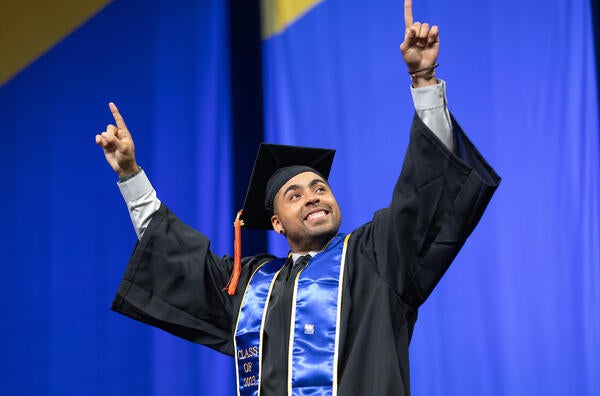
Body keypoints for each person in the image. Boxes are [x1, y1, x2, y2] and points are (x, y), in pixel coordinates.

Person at [95, 2, 500, 395]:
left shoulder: (377, 257)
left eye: (320, 188)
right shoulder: (254, 286)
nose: (312, 197)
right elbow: (175, 258)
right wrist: (131, 175)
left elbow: (424, 192)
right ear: (276, 223)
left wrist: (424, 80)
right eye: (295, 194)